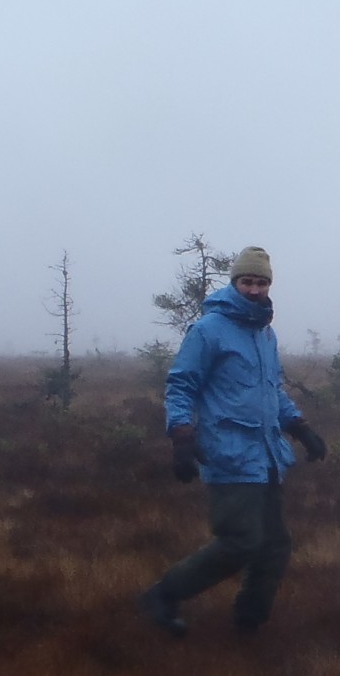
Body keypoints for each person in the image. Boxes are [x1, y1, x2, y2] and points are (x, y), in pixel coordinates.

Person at [139, 245, 326, 636]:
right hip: (230, 454)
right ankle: (163, 594)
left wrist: (300, 427)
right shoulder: (208, 329)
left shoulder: (265, 334)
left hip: (267, 457)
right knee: (241, 540)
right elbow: (181, 385)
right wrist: (181, 436)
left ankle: (248, 624)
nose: (254, 290)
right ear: (235, 283)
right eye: (247, 282)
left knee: (275, 546)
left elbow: (272, 391)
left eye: (261, 283)